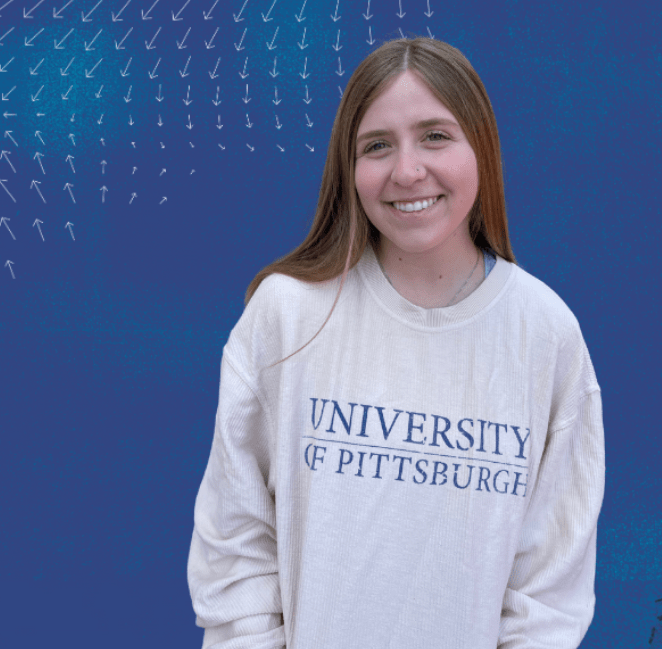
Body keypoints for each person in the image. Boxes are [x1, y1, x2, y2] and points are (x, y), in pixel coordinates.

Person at [187, 36, 605, 649]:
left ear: (481, 148)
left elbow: (547, 596)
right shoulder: (289, 315)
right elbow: (235, 545)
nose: (407, 171)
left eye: (435, 136)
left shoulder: (545, 335)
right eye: (377, 146)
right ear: (348, 168)